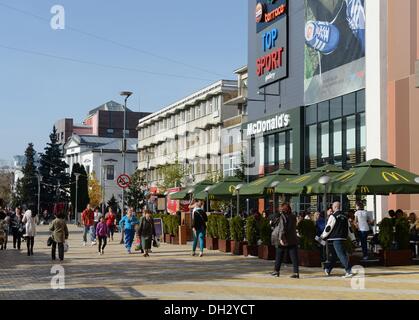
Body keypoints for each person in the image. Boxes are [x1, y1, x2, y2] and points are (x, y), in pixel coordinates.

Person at [321, 202, 356, 278]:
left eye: (333, 207)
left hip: (334, 238)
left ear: (335, 207)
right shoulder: (345, 216)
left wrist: (322, 237)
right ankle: (328, 269)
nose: (332, 208)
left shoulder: (333, 216)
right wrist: (353, 239)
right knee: (335, 255)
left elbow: (328, 228)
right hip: (343, 238)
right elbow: (349, 229)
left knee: (341, 255)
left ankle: (348, 271)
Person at [271, 203, 299, 279]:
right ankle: (296, 273)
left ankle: (276, 271)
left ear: (283, 209)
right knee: (294, 257)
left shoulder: (282, 217)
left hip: (284, 239)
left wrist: (281, 239)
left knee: (279, 255)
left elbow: (282, 229)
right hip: (292, 239)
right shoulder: (293, 216)